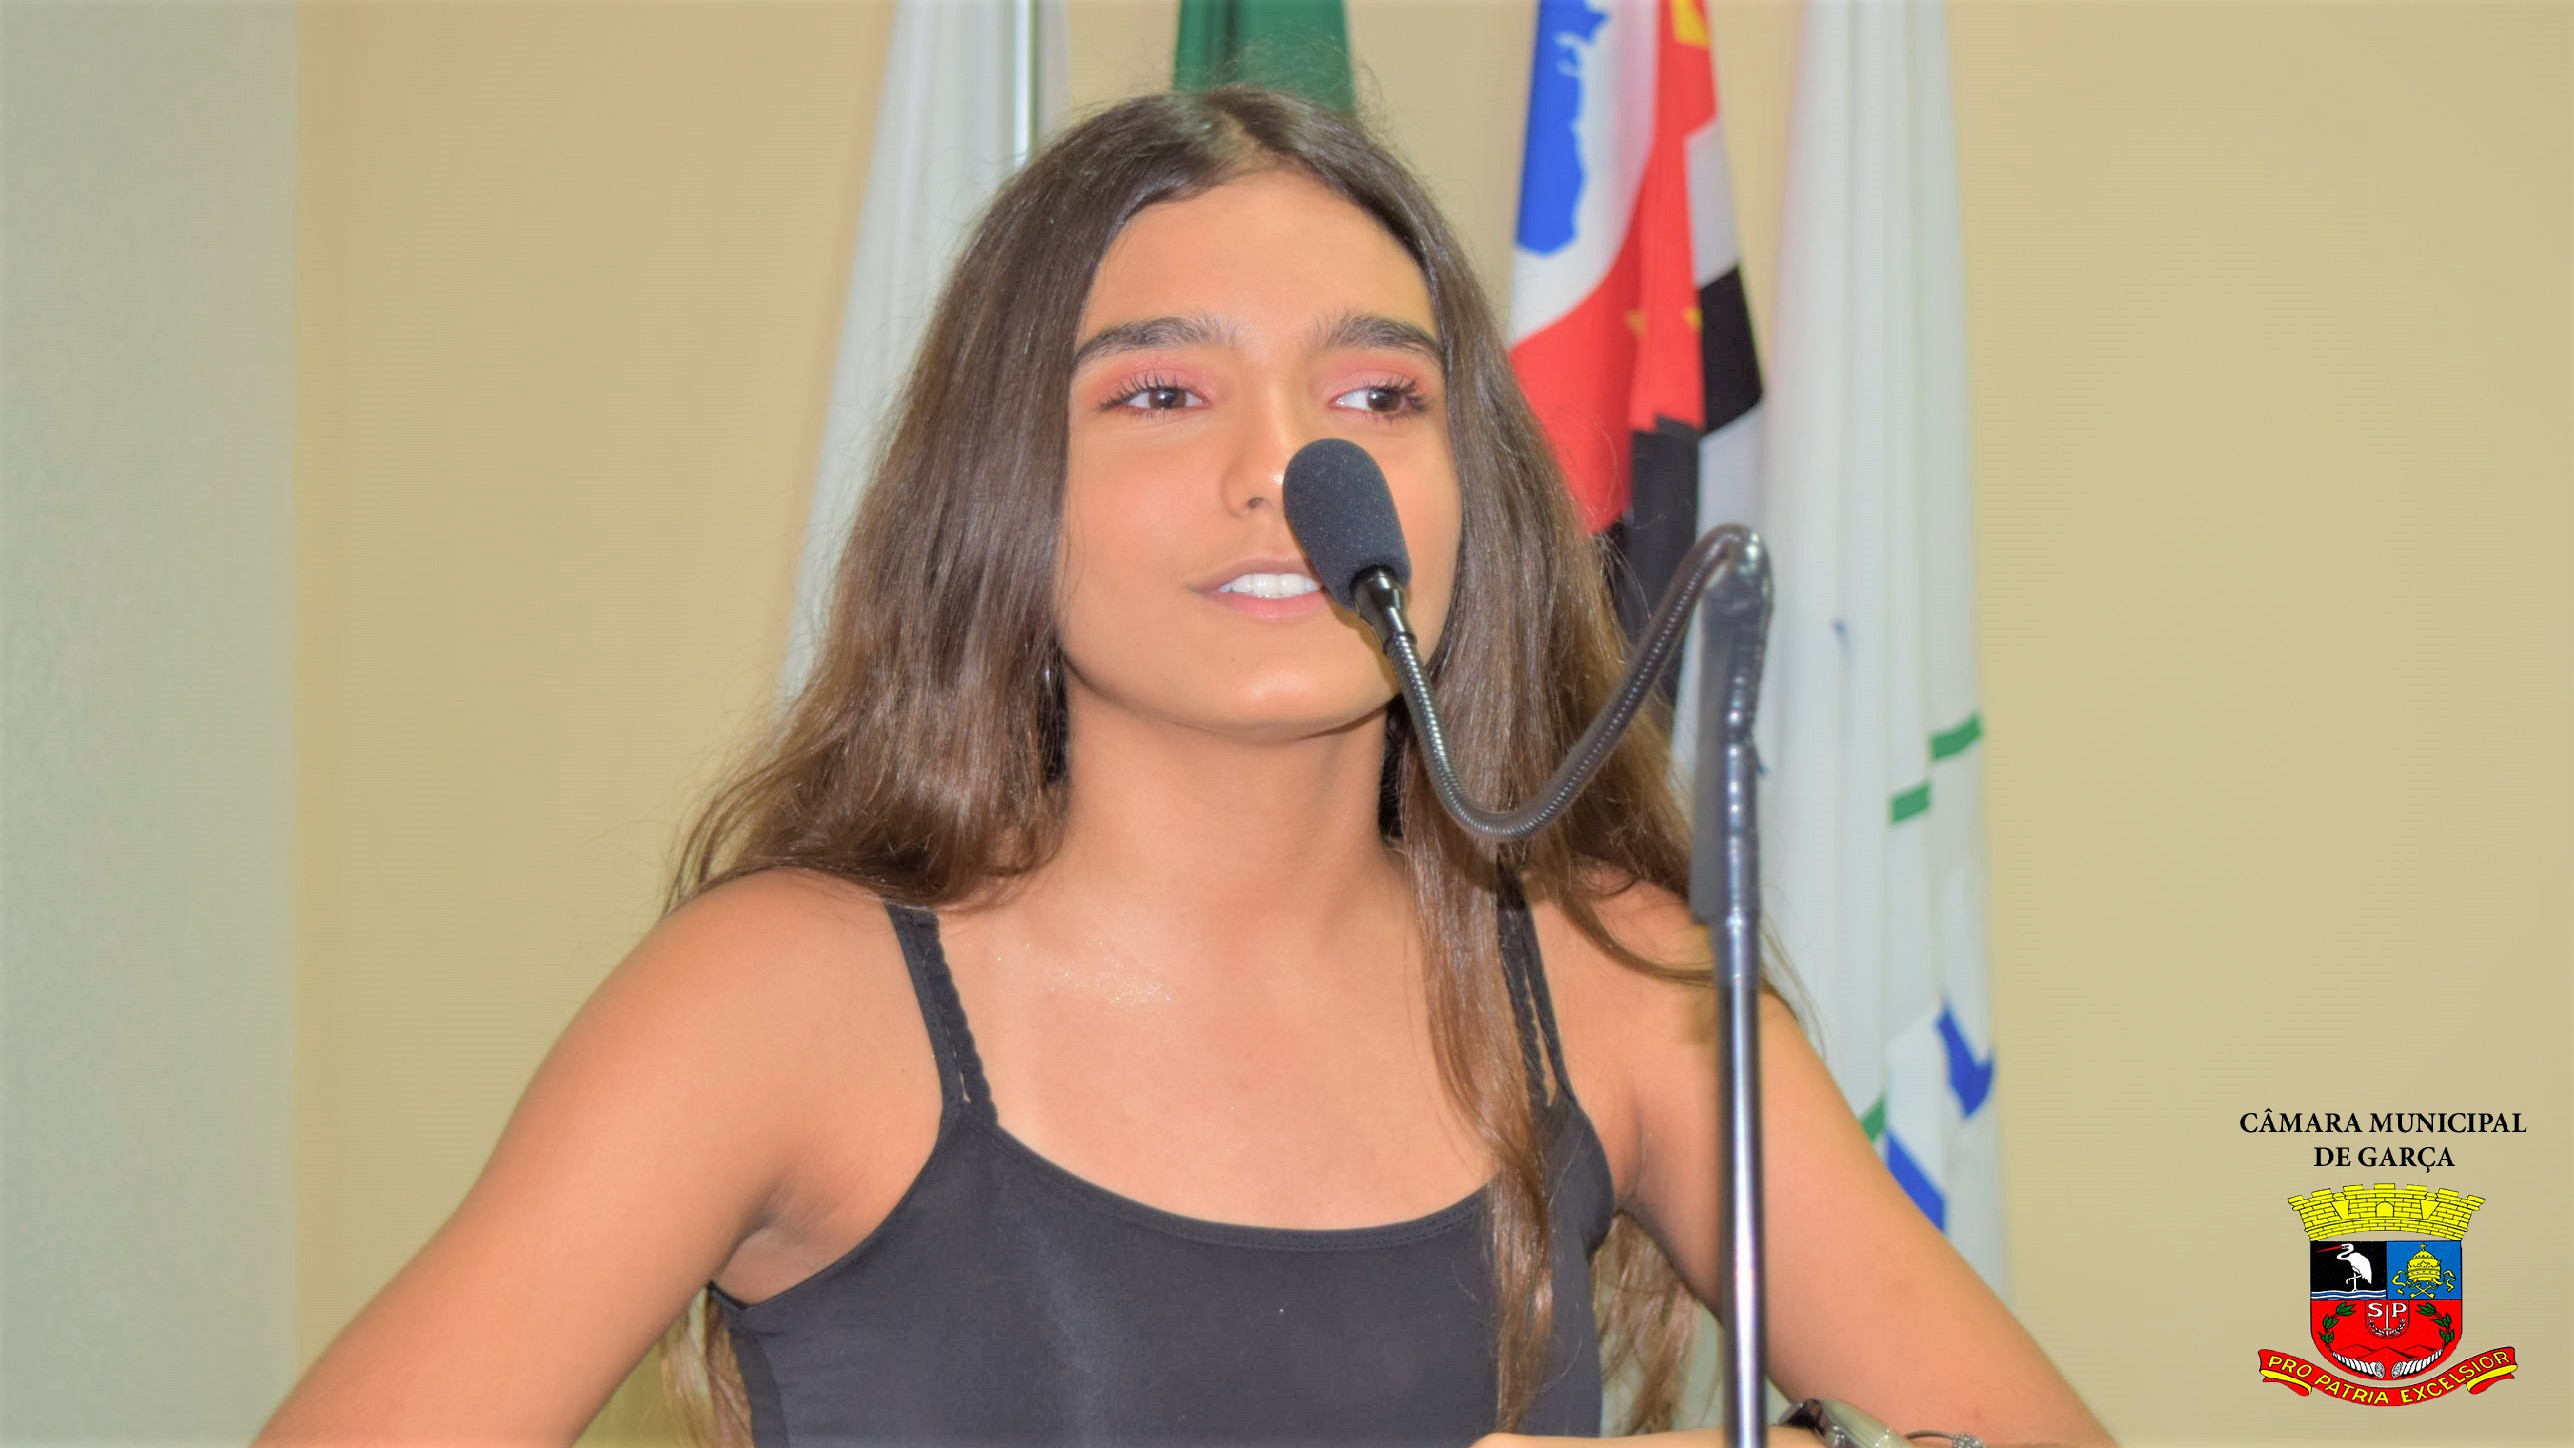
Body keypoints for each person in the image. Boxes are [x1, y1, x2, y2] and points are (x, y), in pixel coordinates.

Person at [254, 86, 2116, 1448]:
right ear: (1006, 490)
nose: (1285, 471)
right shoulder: (782, 995)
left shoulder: (1616, 984)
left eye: (1376, 396)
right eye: (1159, 392)